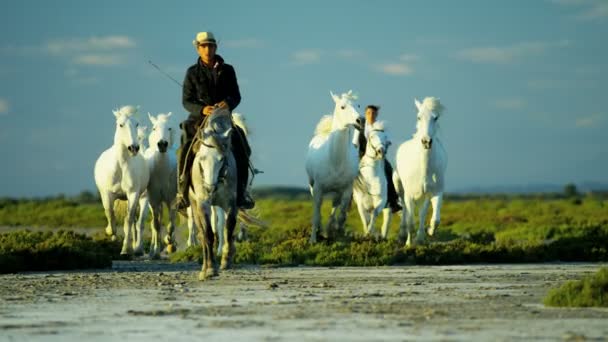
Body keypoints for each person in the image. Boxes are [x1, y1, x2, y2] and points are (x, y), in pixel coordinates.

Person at [176, 31, 255, 211]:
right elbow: (186, 101)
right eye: (203, 46)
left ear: (215, 47)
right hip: (198, 120)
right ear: (198, 49)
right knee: (185, 147)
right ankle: (182, 192)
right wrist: (202, 109)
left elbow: (236, 95)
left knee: (242, 144)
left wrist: (227, 103)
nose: (207, 49)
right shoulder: (192, 72)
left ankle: (241, 192)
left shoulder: (228, 70)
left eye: (211, 45)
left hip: (223, 120)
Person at [358, 105, 401, 213]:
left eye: (373, 113)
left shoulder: (381, 127)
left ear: (376, 115)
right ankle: (347, 200)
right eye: (368, 113)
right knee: (350, 172)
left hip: (378, 156)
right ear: (365, 114)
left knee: (389, 170)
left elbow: (388, 139)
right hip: (361, 155)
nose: (371, 115)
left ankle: (393, 201)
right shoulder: (360, 127)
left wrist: (385, 144)